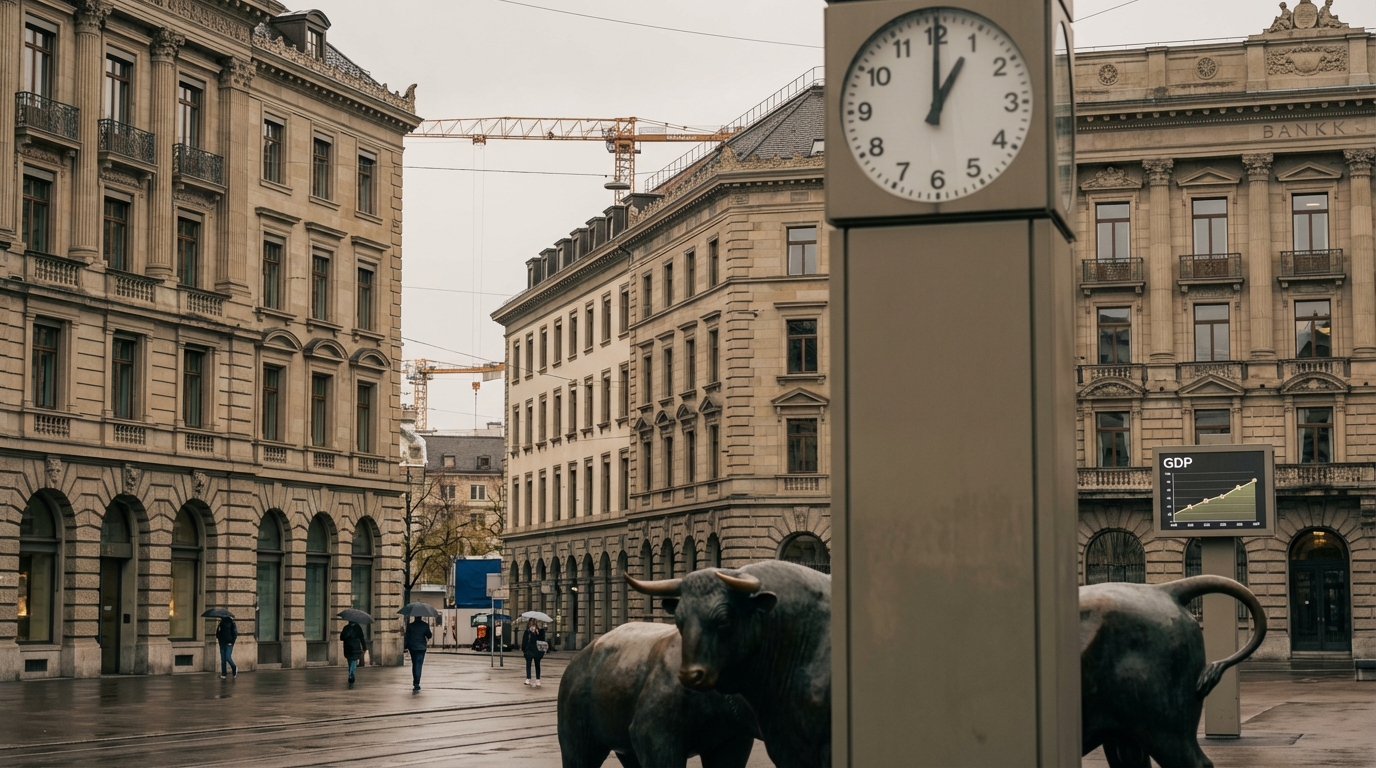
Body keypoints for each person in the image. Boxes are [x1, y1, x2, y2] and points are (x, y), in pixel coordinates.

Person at [404, 616, 432, 691]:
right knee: (419, 664)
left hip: (412, 647)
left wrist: (405, 646)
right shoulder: (425, 625)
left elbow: (407, 637)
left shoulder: (410, 626)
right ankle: (417, 683)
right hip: (421, 648)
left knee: (414, 664)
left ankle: (415, 681)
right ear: (421, 617)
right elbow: (429, 635)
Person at [522, 618, 547, 688]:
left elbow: (542, 640)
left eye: (534, 622)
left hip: (537, 650)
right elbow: (524, 641)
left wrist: (537, 633)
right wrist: (524, 650)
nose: (532, 624)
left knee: (537, 664)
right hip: (529, 649)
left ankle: (538, 679)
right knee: (528, 664)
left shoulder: (540, 631)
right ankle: (528, 678)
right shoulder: (527, 631)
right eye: (531, 622)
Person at [341, 620, 367, 685]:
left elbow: (341, 637)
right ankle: (351, 674)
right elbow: (362, 638)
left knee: (350, 660)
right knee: (354, 660)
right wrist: (364, 647)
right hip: (355, 646)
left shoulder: (346, 627)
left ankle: (350, 673)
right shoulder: (358, 628)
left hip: (347, 646)